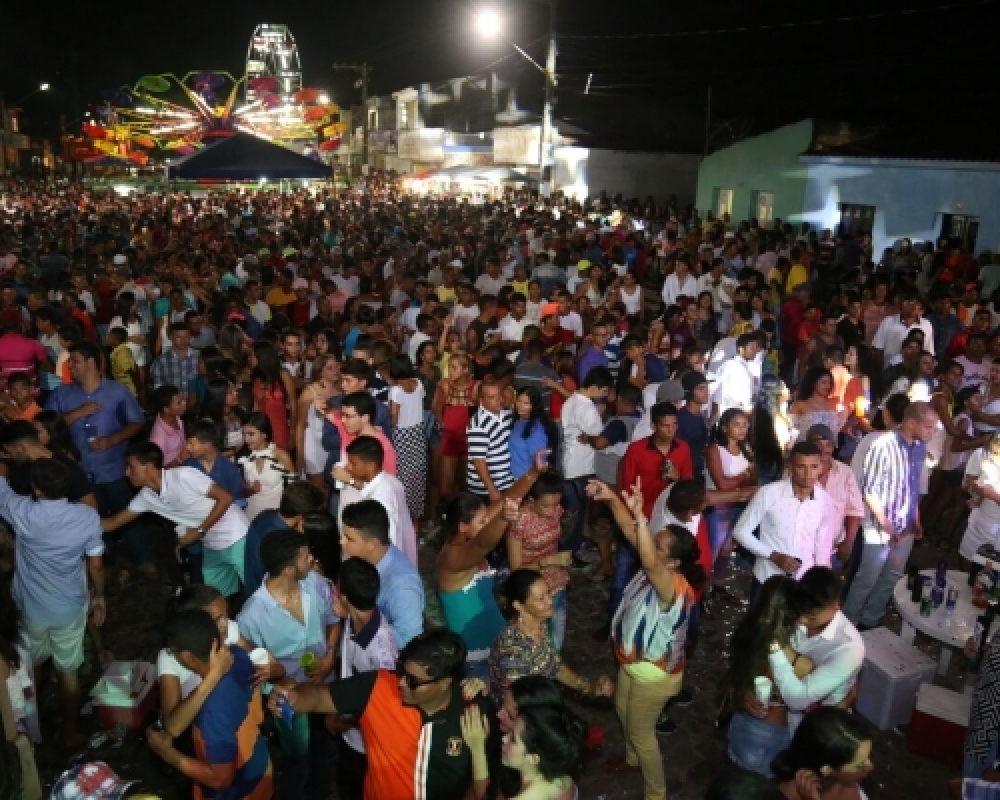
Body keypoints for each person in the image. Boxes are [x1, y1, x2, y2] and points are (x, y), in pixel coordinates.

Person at [269, 629, 500, 800]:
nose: (400, 683)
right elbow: (320, 696)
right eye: (401, 670)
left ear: (445, 683)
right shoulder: (377, 687)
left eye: (413, 681)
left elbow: (484, 780)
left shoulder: (476, 711)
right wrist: (295, 698)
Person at [593, 480, 705, 800]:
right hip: (633, 664)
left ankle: (656, 793)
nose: (649, 550)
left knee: (643, 734)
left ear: (673, 563)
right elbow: (632, 533)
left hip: (653, 675)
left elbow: (643, 545)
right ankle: (631, 761)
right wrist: (614, 499)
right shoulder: (657, 568)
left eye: (658, 547)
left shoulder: (672, 586)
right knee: (621, 709)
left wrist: (642, 517)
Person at [0, 459, 105, 749]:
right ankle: (70, 731)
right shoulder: (87, 517)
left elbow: (1, 488)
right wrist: (99, 596)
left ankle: (31, 727)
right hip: (69, 608)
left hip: (30, 609)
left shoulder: (21, 511)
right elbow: (95, 564)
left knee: (30, 667)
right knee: (68, 671)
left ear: (36, 489)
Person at [237, 530, 338, 800]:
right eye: (306, 557)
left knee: (325, 744)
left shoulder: (316, 584)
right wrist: (276, 679)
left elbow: (333, 621)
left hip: (324, 684)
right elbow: (253, 668)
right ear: (289, 570)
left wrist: (329, 656)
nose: (312, 559)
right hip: (288, 698)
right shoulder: (252, 616)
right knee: (296, 755)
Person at [437, 450, 549, 679]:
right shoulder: (450, 559)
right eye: (482, 521)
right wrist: (502, 519)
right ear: (463, 527)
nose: (486, 523)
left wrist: (533, 473)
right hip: (474, 660)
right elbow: (481, 546)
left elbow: (507, 499)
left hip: (496, 644)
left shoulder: (469, 535)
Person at [45, 340, 153, 572]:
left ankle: (144, 560)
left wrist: (112, 440)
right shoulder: (61, 394)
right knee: (90, 519)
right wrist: (78, 413)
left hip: (114, 467)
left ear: (92, 362)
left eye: (75, 361)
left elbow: (137, 422)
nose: (69, 367)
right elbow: (46, 427)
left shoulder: (117, 391)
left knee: (127, 513)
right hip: (78, 472)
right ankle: (105, 562)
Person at [146, 610, 273, 800]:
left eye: (174, 653)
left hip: (238, 792)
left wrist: (168, 754)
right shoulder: (239, 655)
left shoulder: (211, 713)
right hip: (261, 769)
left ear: (189, 657)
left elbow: (221, 780)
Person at [105, 442, 249, 598]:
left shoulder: (183, 476)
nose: (126, 472)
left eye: (131, 466)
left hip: (237, 535)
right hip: (212, 544)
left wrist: (199, 532)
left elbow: (226, 498)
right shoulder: (146, 497)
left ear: (148, 466)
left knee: (255, 588)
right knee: (218, 596)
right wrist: (78, 519)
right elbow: (111, 523)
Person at [842, 401, 938, 629]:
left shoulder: (919, 448)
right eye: (929, 427)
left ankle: (871, 619)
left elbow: (912, 487)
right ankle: (849, 623)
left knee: (892, 576)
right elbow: (869, 491)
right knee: (867, 577)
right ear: (912, 422)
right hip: (879, 526)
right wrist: (886, 525)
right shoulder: (882, 445)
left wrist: (916, 519)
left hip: (904, 526)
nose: (932, 433)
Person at [489, 568, 613, 706]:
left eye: (548, 593)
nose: (550, 601)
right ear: (519, 605)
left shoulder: (538, 623)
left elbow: (553, 664)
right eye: (540, 598)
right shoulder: (513, 649)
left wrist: (588, 687)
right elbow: (519, 705)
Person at [330, 556, 399, 800]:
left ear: (345, 598)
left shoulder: (382, 654)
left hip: (366, 746)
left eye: (337, 589)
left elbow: (382, 706)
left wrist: (342, 723)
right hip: (350, 738)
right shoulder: (355, 618)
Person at [732, 442, 835, 596]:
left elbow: (822, 548)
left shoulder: (825, 502)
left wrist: (822, 583)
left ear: (821, 467)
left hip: (804, 581)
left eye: (813, 467)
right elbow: (740, 531)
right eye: (801, 467)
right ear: (790, 467)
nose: (808, 474)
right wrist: (774, 556)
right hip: (767, 578)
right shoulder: (768, 494)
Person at [727, 575, 802, 777]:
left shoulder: (747, 632)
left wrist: (742, 695)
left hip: (742, 723)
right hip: (772, 730)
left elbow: (734, 676)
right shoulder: (792, 648)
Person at [340, 499, 424, 648]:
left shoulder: (402, 585)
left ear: (372, 544)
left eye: (349, 539)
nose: (341, 542)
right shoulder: (364, 562)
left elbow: (409, 640)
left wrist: (356, 617)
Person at [505, 472, 575, 650]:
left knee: (556, 638)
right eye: (545, 506)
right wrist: (548, 561)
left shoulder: (556, 510)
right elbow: (516, 571)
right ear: (530, 499)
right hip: (534, 588)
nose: (552, 511)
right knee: (536, 640)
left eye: (556, 504)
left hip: (557, 581)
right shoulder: (519, 522)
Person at [462, 701, 586, 800]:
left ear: (534, 758)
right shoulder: (565, 781)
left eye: (513, 739)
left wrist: (477, 748)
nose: (504, 738)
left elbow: (483, 797)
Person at [335, 435, 417, 566]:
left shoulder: (380, 501)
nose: (348, 467)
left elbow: (389, 540)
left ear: (370, 466)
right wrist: (350, 481)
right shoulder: (390, 481)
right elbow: (367, 488)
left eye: (353, 463)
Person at [560, 366, 614, 559]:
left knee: (574, 511)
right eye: (604, 391)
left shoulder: (570, 401)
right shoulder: (587, 407)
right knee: (581, 513)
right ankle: (573, 550)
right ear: (596, 387)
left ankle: (570, 547)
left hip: (569, 462)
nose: (604, 396)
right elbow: (599, 437)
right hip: (583, 466)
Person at [769, 707, 874, 800]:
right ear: (827, 770)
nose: (871, 767)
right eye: (859, 765)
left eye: (868, 757)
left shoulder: (845, 781)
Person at [242, 481, 325, 596]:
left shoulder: (265, 515)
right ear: (301, 516)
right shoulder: (285, 542)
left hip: (253, 589)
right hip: (269, 600)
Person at [704, 408, 755, 590]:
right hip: (717, 507)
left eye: (745, 425)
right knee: (712, 552)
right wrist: (744, 477)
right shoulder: (715, 450)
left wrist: (746, 478)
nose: (742, 429)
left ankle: (717, 588)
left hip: (737, 506)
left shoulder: (745, 448)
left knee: (726, 551)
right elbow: (722, 484)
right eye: (737, 425)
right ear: (725, 427)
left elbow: (752, 478)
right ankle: (701, 594)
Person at [0, 420, 96, 507]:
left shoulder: (68, 468)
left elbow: (91, 509)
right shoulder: (19, 468)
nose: (8, 456)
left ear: (21, 448)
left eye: (8, 451)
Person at [388, 353, 427, 527]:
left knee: (402, 477)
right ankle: (416, 519)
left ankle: (403, 518)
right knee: (417, 476)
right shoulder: (418, 384)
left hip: (402, 436)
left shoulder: (395, 390)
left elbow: (394, 418)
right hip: (418, 434)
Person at [294, 354, 340, 493]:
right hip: (313, 444)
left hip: (333, 442)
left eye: (337, 366)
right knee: (319, 488)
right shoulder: (309, 392)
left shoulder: (341, 389)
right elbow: (300, 425)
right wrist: (299, 456)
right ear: (320, 371)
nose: (336, 370)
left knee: (333, 484)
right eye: (330, 368)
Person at [239, 411, 295, 521]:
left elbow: (292, 490)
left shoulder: (281, 456)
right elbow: (240, 491)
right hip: (250, 516)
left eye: (251, 434)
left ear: (264, 434)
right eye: (243, 434)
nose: (246, 439)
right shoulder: (244, 458)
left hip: (276, 517)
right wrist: (248, 490)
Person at [466, 379, 515, 503]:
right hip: (485, 489)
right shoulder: (479, 424)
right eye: (492, 397)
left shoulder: (507, 414)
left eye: (499, 395)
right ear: (482, 400)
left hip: (506, 483)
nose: (499, 399)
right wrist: (492, 490)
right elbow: (479, 462)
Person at [510, 386, 559, 479]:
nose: (520, 405)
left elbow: (540, 464)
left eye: (526, 403)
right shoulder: (518, 420)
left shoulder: (536, 430)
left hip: (528, 481)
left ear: (534, 406)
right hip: (516, 478)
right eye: (519, 401)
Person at [712, 333, 759, 417]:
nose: (755, 351)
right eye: (752, 348)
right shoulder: (739, 369)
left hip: (725, 412)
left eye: (756, 348)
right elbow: (746, 403)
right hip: (735, 415)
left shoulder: (728, 363)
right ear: (741, 349)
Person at [149, 384, 188, 468]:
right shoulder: (158, 438)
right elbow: (159, 469)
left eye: (183, 400)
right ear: (166, 409)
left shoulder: (177, 418)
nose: (184, 403)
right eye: (179, 403)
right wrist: (180, 459)